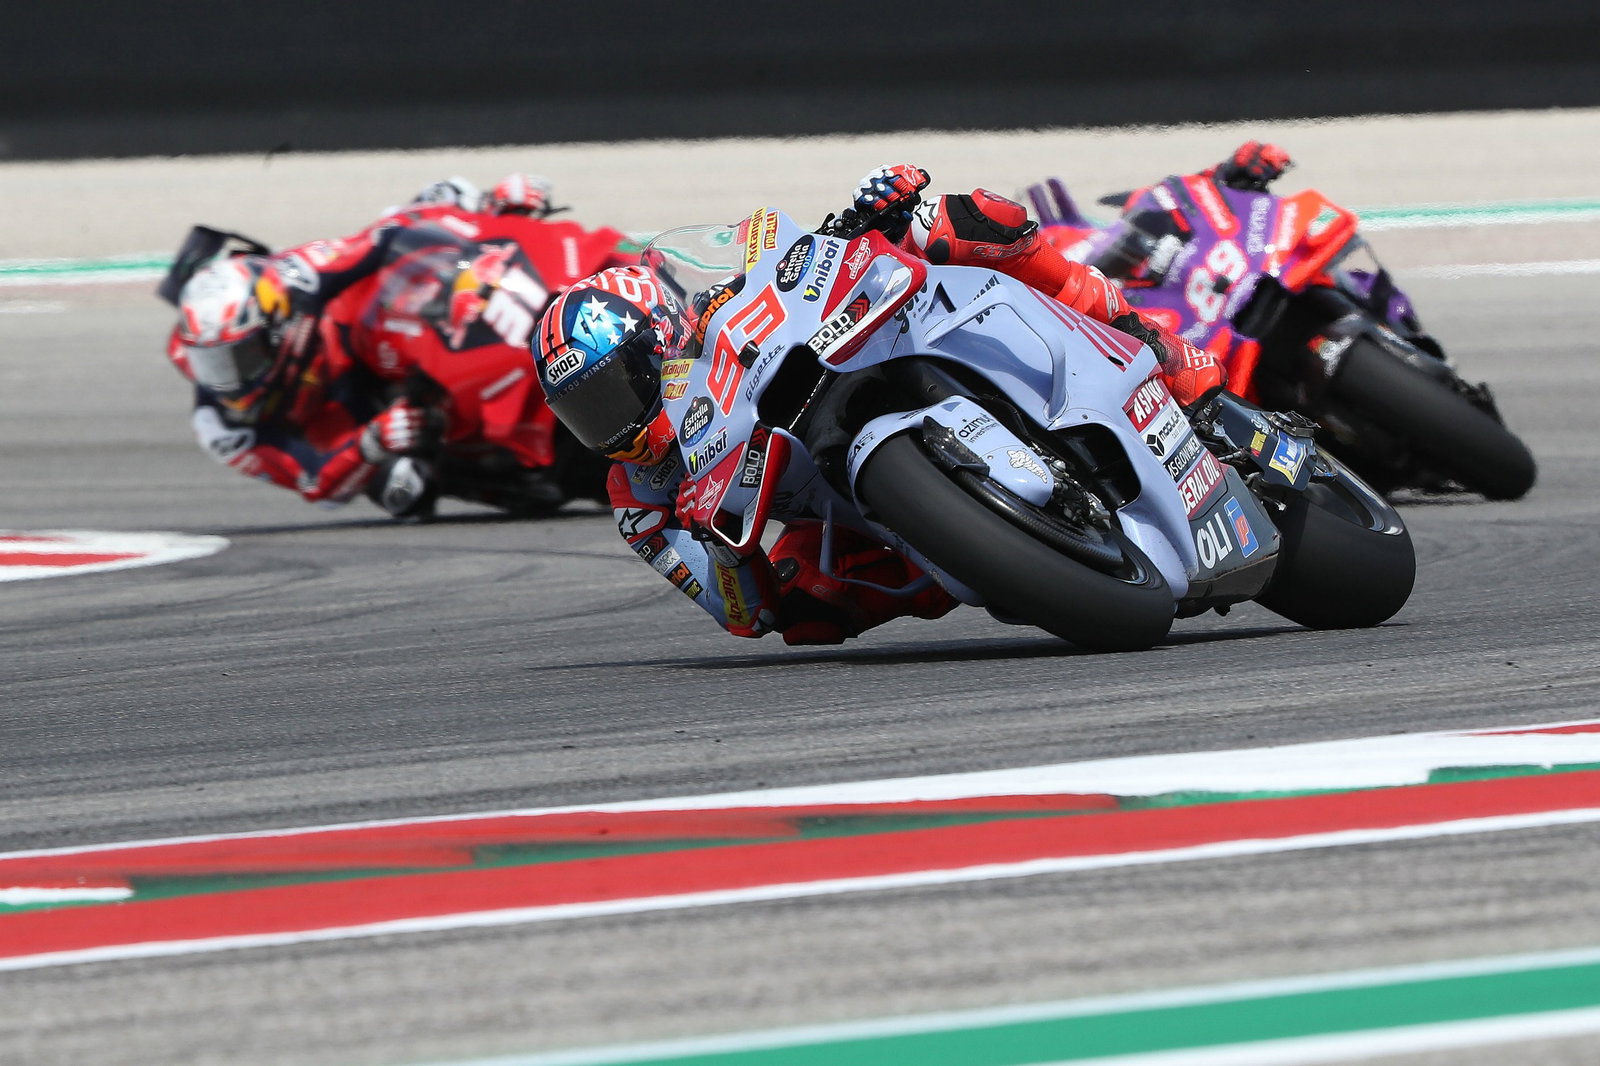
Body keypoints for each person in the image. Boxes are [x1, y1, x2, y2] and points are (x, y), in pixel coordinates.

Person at [533, 165, 1233, 644]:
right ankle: (988, 554)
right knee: (804, 608)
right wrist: (726, 555)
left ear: (658, 340)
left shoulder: (706, 309)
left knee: (964, 223)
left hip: (840, 354)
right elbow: (742, 616)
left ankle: (1155, 346)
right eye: (584, 411)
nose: (610, 423)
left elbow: (780, 256)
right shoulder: (639, 498)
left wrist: (865, 219)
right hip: (850, 514)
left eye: (611, 392)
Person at [164, 174, 634, 517]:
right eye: (211, 363)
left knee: (439, 203)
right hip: (357, 426)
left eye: (237, 358)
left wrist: (483, 211)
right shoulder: (222, 425)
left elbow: (384, 235)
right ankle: (530, 472)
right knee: (403, 488)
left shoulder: (294, 278)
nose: (224, 377)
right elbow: (313, 478)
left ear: (278, 325)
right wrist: (369, 444)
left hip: (374, 339)